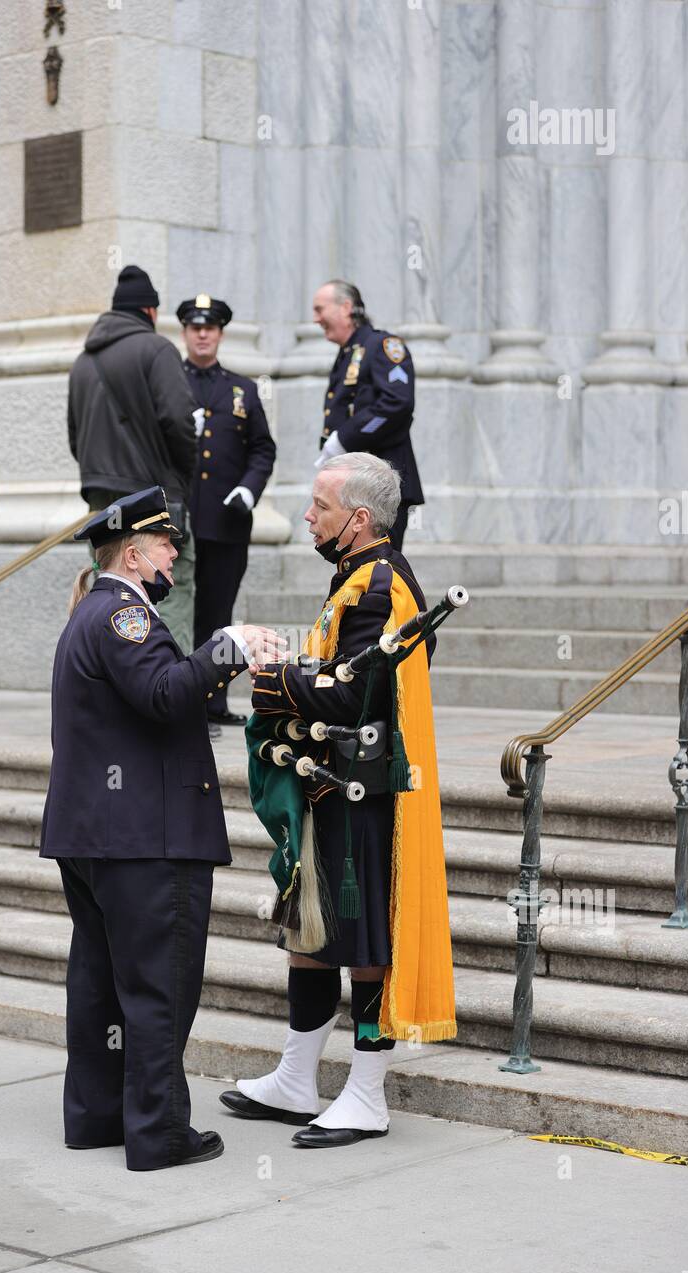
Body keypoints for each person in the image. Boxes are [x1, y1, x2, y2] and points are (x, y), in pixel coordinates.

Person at [39, 485, 286, 1172]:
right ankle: (159, 1132)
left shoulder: (98, 611)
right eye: (166, 542)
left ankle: (98, 1117)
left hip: (99, 836)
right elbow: (164, 693)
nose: (176, 551)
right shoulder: (122, 616)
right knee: (156, 987)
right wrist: (226, 648)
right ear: (134, 551)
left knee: (100, 981)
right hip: (145, 837)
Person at [219, 453, 455, 1148]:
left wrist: (273, 680)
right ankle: (296, 1078)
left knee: (362, 943)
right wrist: (301, 678)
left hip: (362, 790)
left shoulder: (379, 585)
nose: (306, 517)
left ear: (358, 519)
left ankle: (367, 1095)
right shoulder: (359, 575)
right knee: (311, 933)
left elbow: (352, 695)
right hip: (331, 785)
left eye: (318, 506)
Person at [68, 264, 198, 653]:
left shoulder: (82, 362)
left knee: (109, 589)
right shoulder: (157, 349)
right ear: (151, 311)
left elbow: (76, 438)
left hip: (101, 501)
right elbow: (178, 421)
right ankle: (170, 691)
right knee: (169, 586)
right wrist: (184, 475)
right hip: (152, 497)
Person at [178, 293, 276, 736]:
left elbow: (262, 448)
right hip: (178, 523)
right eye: (196, 327)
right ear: (185, 332)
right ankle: (181, 696)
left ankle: (214, 700)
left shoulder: (243, 388)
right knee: (181, 609)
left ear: (219, 333)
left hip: (226, 520)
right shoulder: (170, 381)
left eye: (210, 328)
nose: (203, 334)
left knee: (218, 612)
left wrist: (248, 490)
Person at [313, 279, 422, 552]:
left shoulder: (382, 345)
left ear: (345, 307)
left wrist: (344, 439)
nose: (316, 319)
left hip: (383, 485)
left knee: (380, 568)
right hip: (356, 483)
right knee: (355, 569)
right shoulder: (348, 353)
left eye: (320, 309)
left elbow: (397, 402)